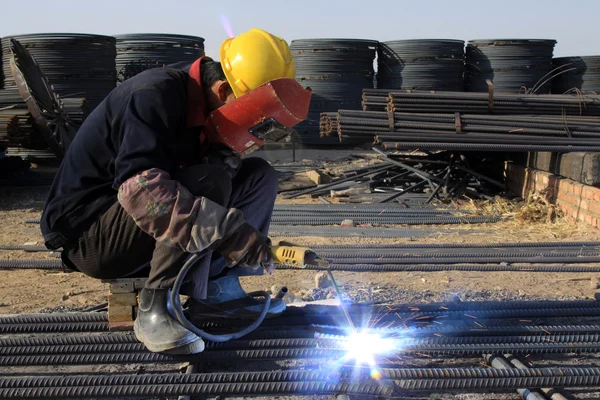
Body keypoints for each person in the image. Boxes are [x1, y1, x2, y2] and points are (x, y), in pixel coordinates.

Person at [40, 28, 297, 355]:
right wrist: (228, 230)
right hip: (91, 235)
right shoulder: (155, 94)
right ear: (221, 89)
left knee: (259, 175)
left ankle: (219, 291)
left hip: (138, 228)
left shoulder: (203, 105)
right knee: (209, 181)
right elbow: (140, 191)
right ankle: (157, 307)